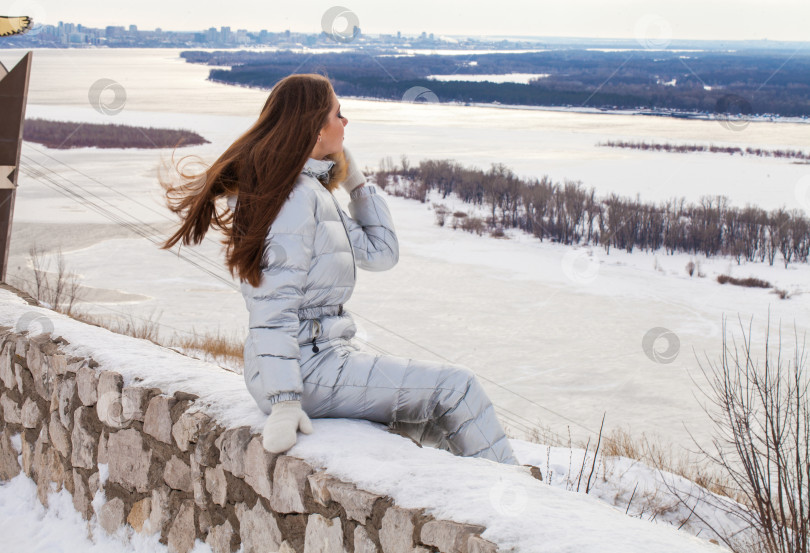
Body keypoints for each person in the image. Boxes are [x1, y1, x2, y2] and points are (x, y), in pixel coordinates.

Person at [160, 73, 518, 465]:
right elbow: (271, 304)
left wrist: (356, 181)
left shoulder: (310, 194)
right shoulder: (293, 200)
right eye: (338, 114)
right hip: (304, 369)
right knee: (458, 388)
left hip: (321, 357)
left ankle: (474, 496)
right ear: (315, 130)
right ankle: (515, 497)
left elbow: (382, 252)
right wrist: (284, 401)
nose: (345, 122)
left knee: (429, 419)